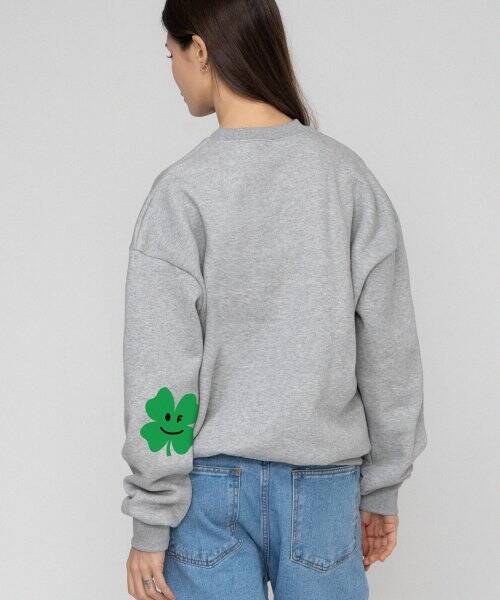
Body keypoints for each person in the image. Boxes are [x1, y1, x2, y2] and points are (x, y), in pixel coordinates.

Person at [120, 1, 428, 599]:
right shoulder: (347, 179)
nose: (173, 72)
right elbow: (390, 350)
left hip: (208, 498)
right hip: (326, 492)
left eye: (171, 54)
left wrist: (152, 515)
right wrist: (383, 484)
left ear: (200, 49)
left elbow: (160, 363)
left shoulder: (181, 192)